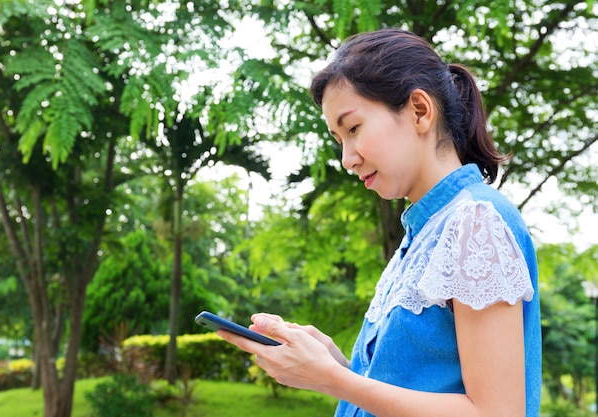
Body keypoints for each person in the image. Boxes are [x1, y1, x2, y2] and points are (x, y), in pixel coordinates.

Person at [219, 28, 541, 417]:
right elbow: (416, 387)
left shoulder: (475, 222)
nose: (347, 158)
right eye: (339, 139)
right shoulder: (423, 233)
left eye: (353, 128)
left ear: (420, 110)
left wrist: (334, 380)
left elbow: (496, 413)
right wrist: (337, 365)